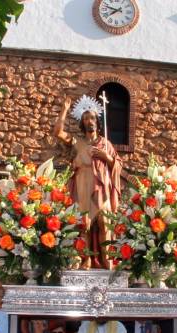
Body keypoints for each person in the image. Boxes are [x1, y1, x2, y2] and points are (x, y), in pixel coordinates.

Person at [53, 94, 122, 269]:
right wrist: (64, 111)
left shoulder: (106, 143)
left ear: (97, 122)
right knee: (84, 223)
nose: (89, 121)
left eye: (92, 118)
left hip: (102, 186)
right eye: (85, 118)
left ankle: (107, 259)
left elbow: (118, 165)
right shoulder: (77, 142)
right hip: (83, 183)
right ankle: (86, 259)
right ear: (82, 123)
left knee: (104, 221)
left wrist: (107, 157)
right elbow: (58, 133)